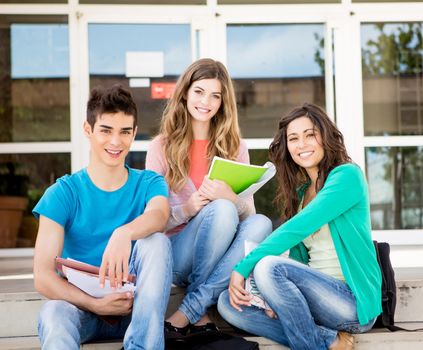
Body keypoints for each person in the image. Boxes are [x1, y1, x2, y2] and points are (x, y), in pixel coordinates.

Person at [217, 103, 382, 350]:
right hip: (313, 300)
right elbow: (299, 260)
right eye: (293, 139)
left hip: (351, 302)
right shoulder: (302, 193)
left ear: (325, 137)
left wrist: (243, 267)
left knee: (267, 266)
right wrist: (274, 298)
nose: (302, 144)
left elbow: (297, 228)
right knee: (228, 305)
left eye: (310, 135)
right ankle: (328, 341)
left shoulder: (346, 176)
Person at [33, 85, 173, 350]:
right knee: (53, 313)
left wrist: (124, 233)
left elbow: (160, 214)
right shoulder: (63, 193)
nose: (115, 142)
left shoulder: (149, 182)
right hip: (82, 310)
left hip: (136, 311)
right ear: (88, 130)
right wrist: (95, 304)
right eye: (106, 130)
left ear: (133, 134)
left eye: (124, 132)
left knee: (157, 242)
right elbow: (42, 276)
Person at [146, 58, 272, 337]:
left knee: (262, 224)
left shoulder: (234, 146)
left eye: (215, 95)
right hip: (178, 254)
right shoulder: (161, 147)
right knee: (223, 210)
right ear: (185, 94)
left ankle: (191, 308)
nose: (206, 101)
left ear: (223, 102)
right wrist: (188, 209)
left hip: (220, 253)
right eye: (200, 91)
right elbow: (151, 222)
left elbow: (248, 218)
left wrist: (231, 197)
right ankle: (197, 309)